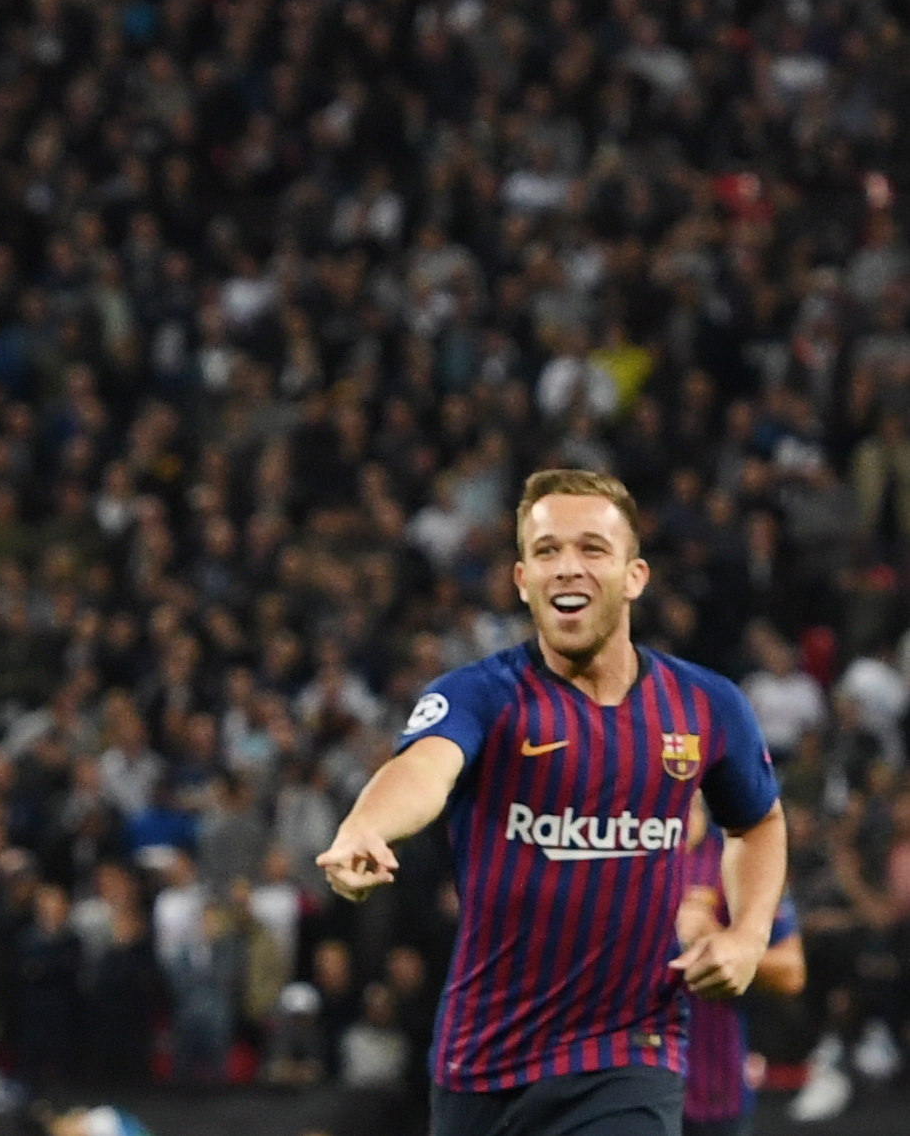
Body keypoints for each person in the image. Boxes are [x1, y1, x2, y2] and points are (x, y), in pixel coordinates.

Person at [317, 469, 788, 1136]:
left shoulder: (706, 705)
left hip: (631, 1048)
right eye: (547, 551)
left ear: (634, 576)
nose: (568, 566)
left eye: (592, 548)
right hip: (485, 1062)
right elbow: (421, 768)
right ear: (522, 580)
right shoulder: (482, 693)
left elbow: (758, 822)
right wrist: (366, 825)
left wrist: (748, 935)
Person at [677, 799, 805, 1136]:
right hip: (627, 1081)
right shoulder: (618, 855)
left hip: (714, 1089)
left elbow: (791, 971)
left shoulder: (739, 855)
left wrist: (717, 940)